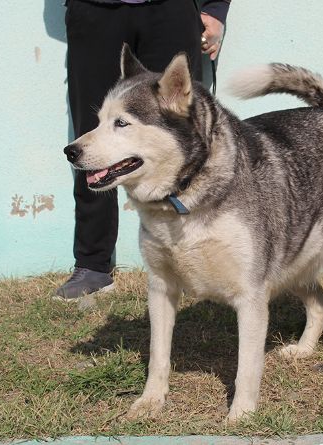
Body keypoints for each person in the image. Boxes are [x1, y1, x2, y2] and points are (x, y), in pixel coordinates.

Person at [54, 0, 230, 301]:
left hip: (171, 9)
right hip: (95, 10)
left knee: (183, 138)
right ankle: (93, 263)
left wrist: (215, 9)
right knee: (94, 139)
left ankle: (192, 260)